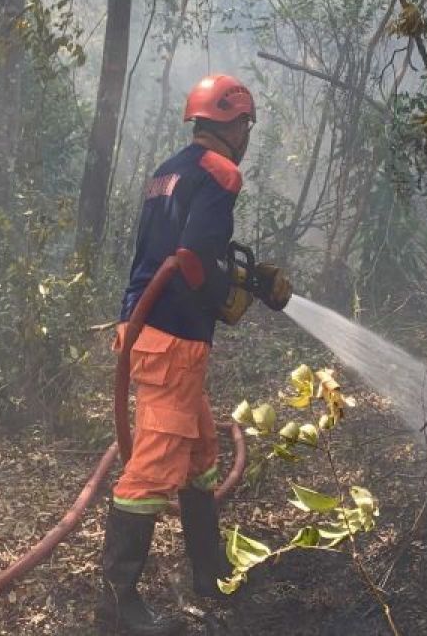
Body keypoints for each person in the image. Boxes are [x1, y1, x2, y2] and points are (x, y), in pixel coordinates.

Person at [99, 74, 292, 636]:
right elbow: (189, 258)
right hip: (173, 332)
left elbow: (173, 249)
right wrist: (220, 295)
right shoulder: (221, 173)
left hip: (144, 324)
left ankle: (210, 572)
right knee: (154, 465)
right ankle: (117, 606)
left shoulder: (169, 171)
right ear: (235, 125)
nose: (247, 136)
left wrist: (243, 279)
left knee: (202, 451)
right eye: (246, 125)